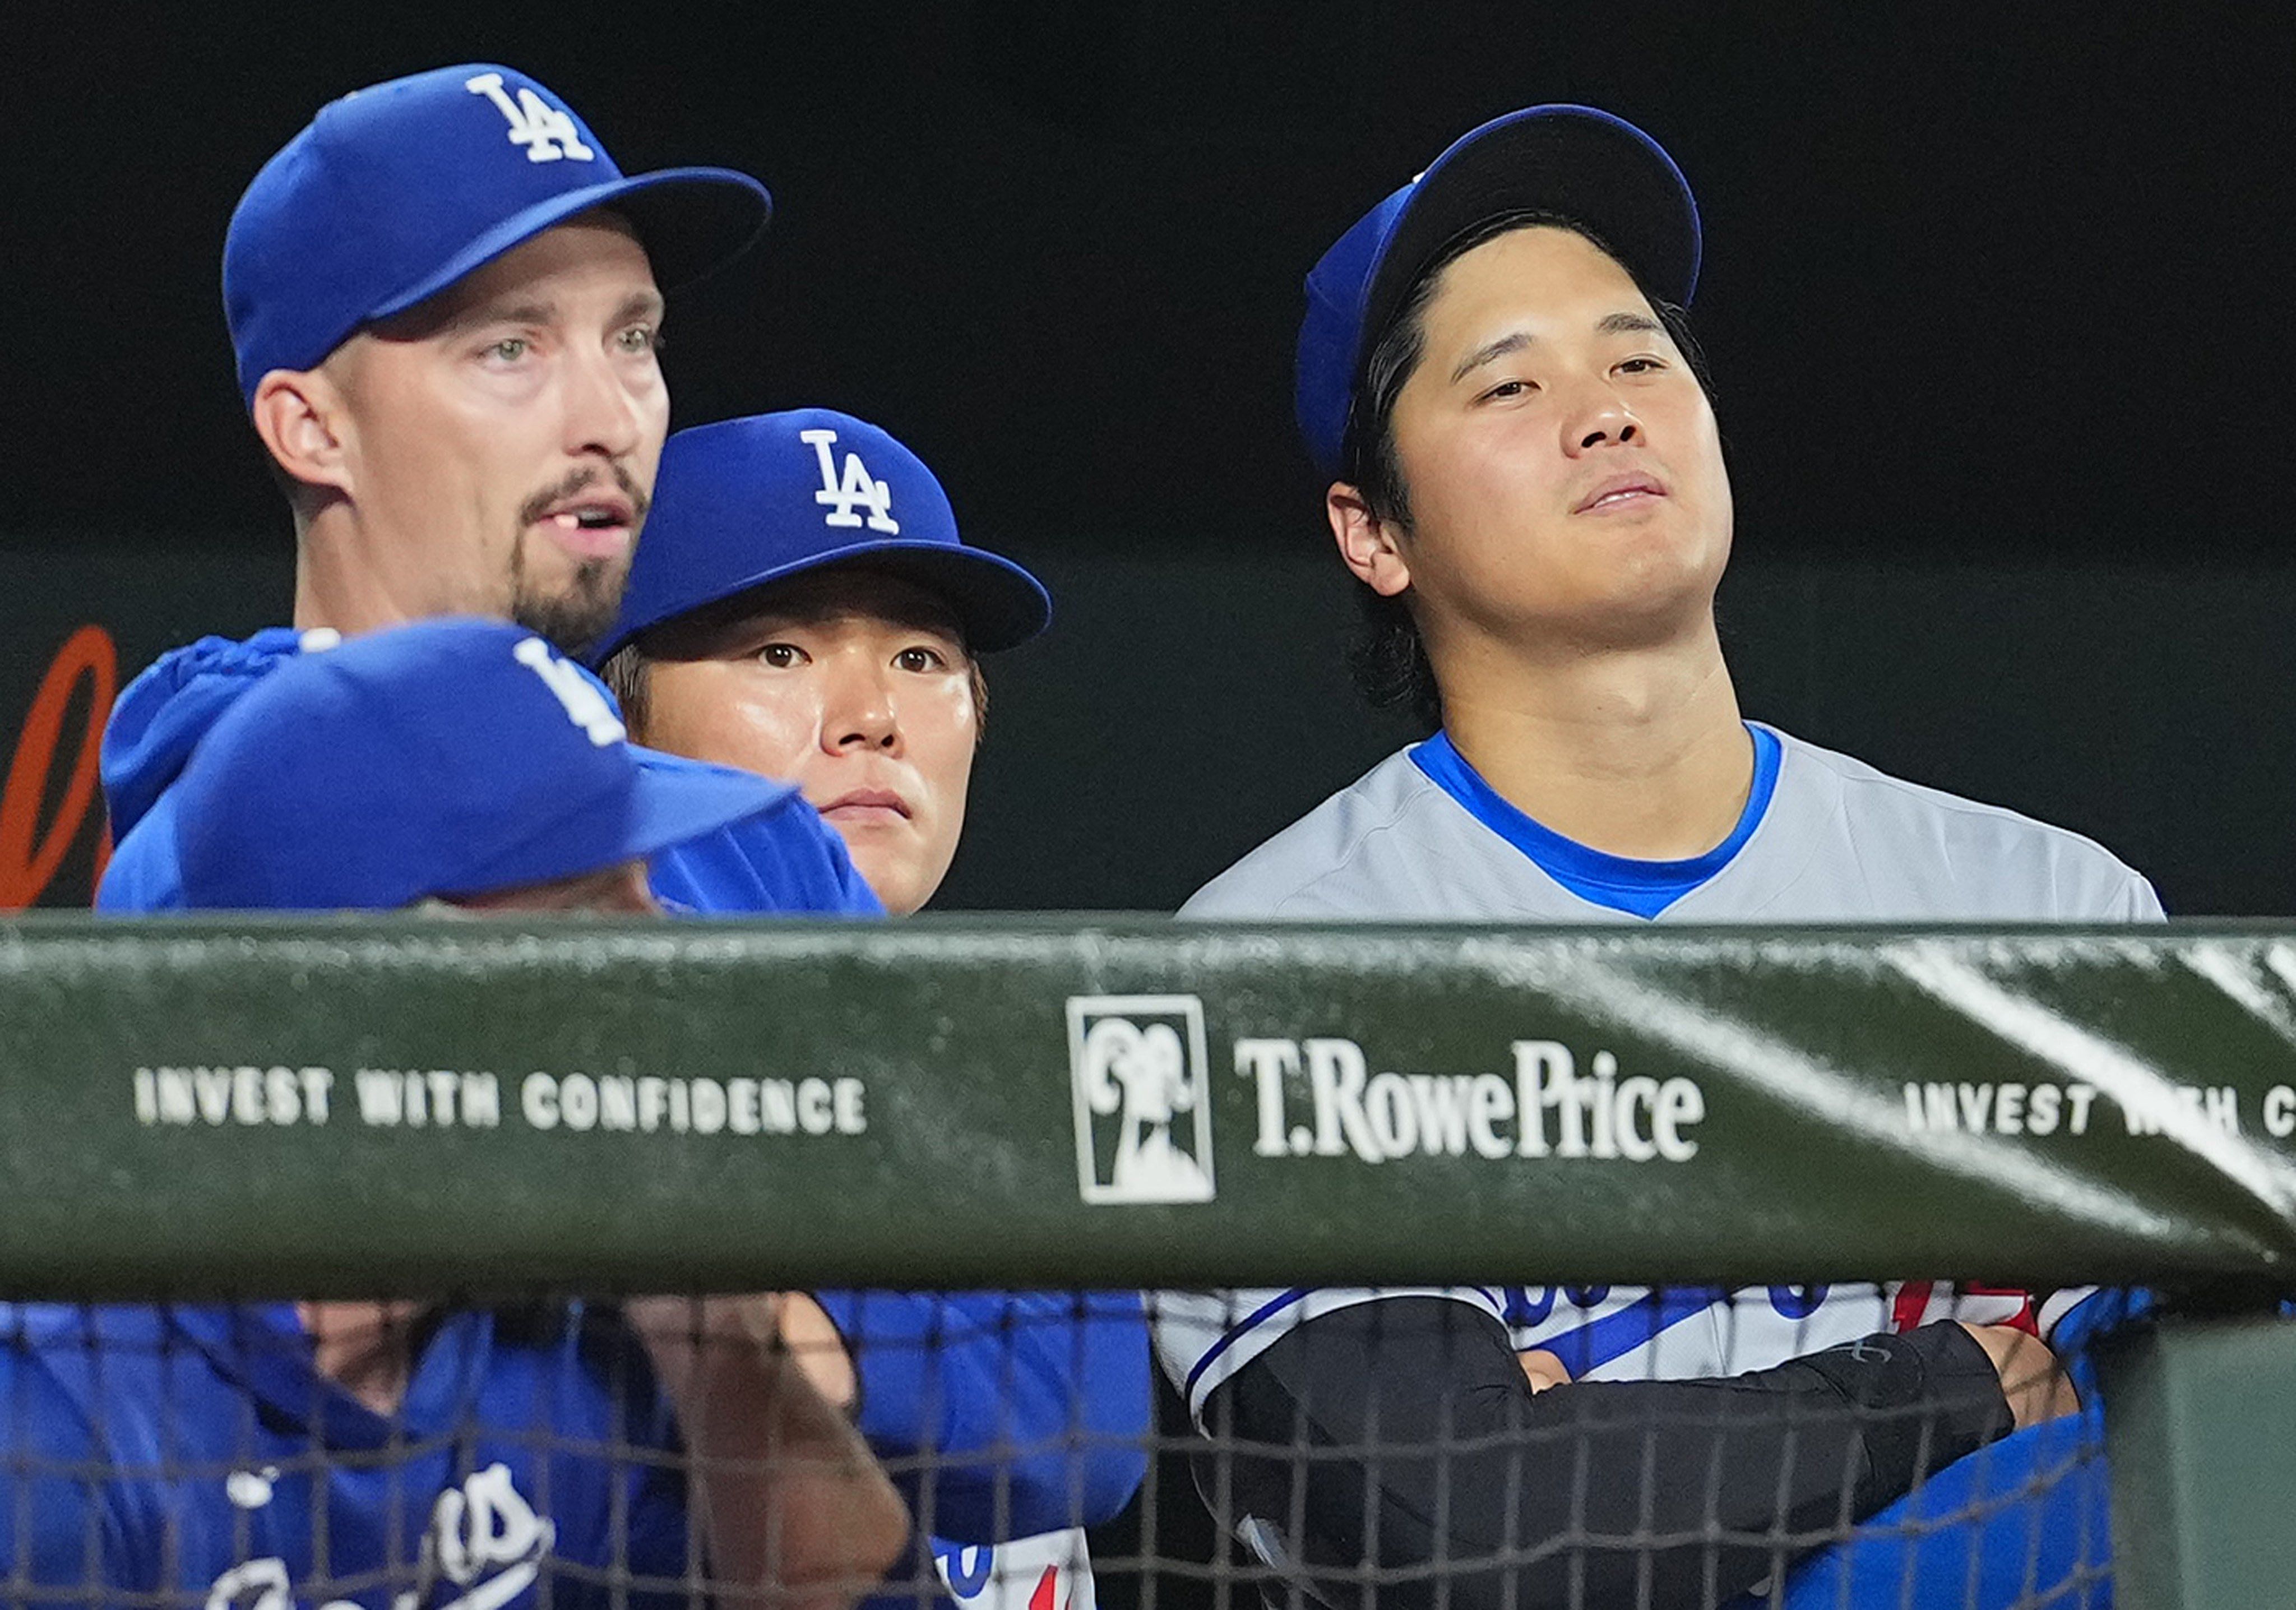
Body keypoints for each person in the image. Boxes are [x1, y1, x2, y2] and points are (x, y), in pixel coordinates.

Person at [1152, 104, 2156, 1608]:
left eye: (1638, 361)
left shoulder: (2049, 909)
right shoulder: (1263, 972)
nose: (1606, 413)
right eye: (1511, 383)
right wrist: (1945, 1385)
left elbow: (2162, 1464)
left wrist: (1632, 1459)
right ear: (1373, 533)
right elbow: (1455, 1529)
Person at [2, 617, 909, 1610]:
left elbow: (831, 1578)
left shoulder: (561, 1322)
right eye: (595, 916)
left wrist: (694, 1300)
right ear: (371, 986)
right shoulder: (60, 1403)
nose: (666, 966)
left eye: (653, 901)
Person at [97, 62, 877, 921]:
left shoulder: (763, 844)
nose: (612, 420)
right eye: (510, 349)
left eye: (632, 339)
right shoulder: (246, 851)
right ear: (313, 428)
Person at [593, 410, 1149, 1610]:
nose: (871, 715)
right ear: (621, 718)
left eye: (921, 659)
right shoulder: (584, 1037)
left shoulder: (1006, 1057)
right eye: (779, 652)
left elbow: (1082, 1437)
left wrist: (778, 1326)